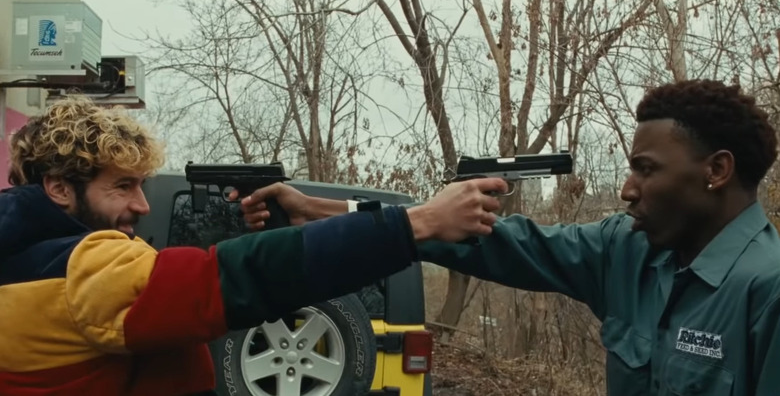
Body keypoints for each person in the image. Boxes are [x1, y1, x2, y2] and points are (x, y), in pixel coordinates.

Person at [244, 79, 780, 396]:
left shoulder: (766, 291)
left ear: (717, 171)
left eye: (646, 169)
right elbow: (477, 236)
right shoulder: (629, 252)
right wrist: (321, 210)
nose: (626, 190)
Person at [0, 95, 508, 396]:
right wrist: (413, 223)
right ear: (59, 188)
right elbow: (235, 278)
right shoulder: (84, 268)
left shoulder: (22, 262)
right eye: (122, 187)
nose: (143, 206)